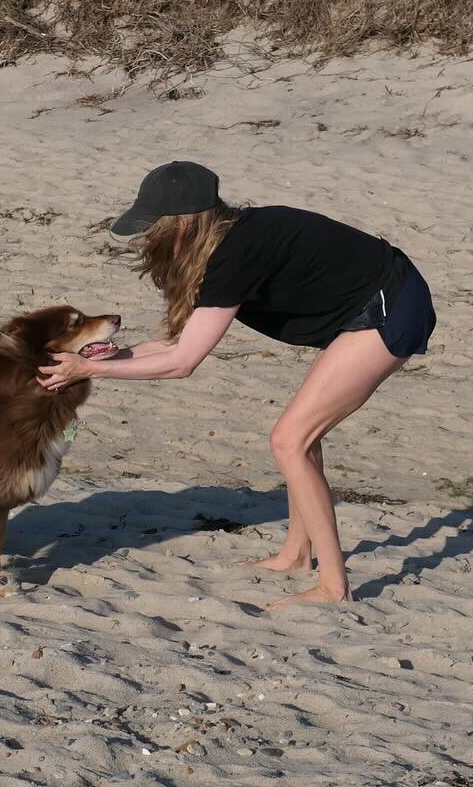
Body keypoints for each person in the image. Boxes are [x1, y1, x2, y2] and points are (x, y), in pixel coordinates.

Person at [38, 161, 436, 608]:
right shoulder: (222, 246)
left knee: (290, 440)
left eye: (153, 228)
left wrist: (89, 371)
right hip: (361, 305)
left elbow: (182, 363)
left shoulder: (235, 255)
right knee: (302, 435)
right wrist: (101, 357)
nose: (148, 238)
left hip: (392, 305)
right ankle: (297, 554)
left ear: (182, 224)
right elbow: (175, 342)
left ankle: (334, 587)